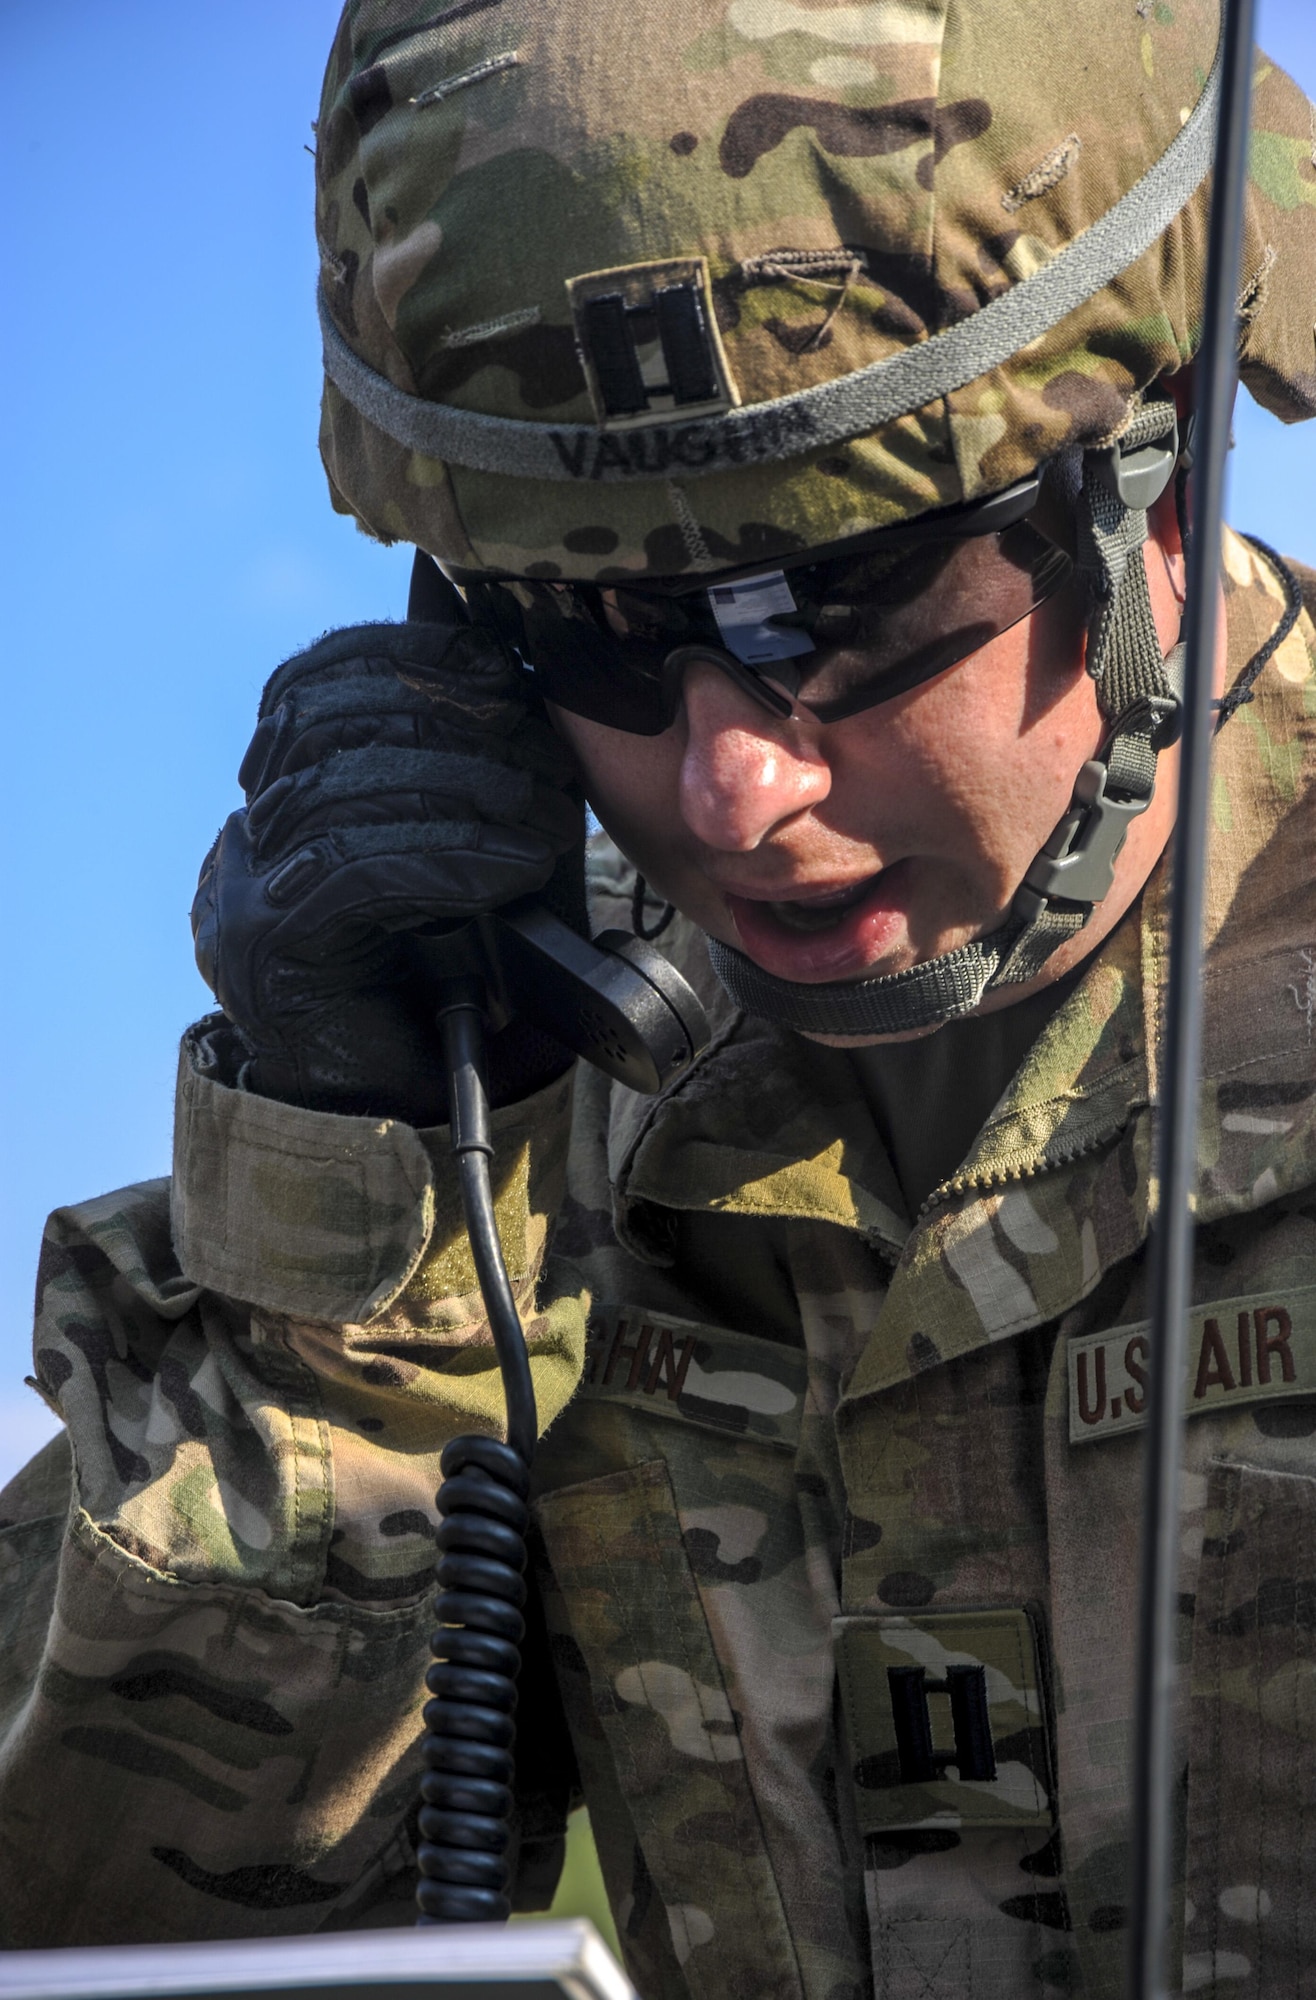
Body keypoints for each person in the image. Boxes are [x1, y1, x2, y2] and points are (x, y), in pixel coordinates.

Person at [3, 1, 1315, 1993]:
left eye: (845, 611)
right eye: (594, 629)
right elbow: (112, 1925)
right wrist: (345, 1247)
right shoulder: (532, 1088)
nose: (732, 786)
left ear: (1146, 481)